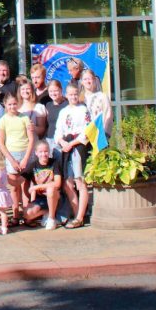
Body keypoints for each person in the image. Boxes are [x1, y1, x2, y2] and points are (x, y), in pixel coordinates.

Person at [54, 82, 91, 229]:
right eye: (70, 94)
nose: (73, 97)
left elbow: (87, 131)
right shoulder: (63, 112)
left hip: (78, 146)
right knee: (68, 183)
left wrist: (73, 143)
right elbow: (58, 130)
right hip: (66, 147)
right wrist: (62, 142)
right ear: (66, 95)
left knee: (80, 181)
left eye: (75, 94)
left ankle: (80, 216)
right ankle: (77, 214)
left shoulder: (83, 110)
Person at [0, 93, 35, 223]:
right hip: (11, 154)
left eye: (14, 103)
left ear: (18, 103)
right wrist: (12, 160)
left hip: (25, 153)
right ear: (5, 105)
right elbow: (1, 142)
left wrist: (25, 158)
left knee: (25, 185)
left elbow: (31, 139)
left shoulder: (24, 118)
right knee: (13, 186)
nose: (12, 106)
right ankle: (15, 214)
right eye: (9, 104)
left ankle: (27, 214)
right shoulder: (3, 120)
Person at [23, 140, 62, 230]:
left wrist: (37, 187)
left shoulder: (54, 163)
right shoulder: (33, 165)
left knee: (50, 189)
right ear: (36, 153)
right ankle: (47, 212)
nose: (43, 154)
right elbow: (21, 180)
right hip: (41, 199)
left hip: (55, 197)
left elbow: (57, 183)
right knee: (27, 214)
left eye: (46, 151)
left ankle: (51, 218)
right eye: (41, 152)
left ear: (49, 151)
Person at [81, 69, 113, 137]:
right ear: (82, 82)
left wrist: (105, 134)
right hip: (82, 137)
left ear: (94, 80)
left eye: (90, 79)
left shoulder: (102, 97)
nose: (88, 81)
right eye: (85, 79)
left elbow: (108, 115)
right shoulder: (80, 99)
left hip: (99, 135)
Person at [44, 78, 68, 153]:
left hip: (63, 140)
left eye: (56, 91)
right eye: (51, 91)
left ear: (61, 90)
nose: (53, 93)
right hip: (49, 139)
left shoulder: (67, 105)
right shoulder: (48, 105)